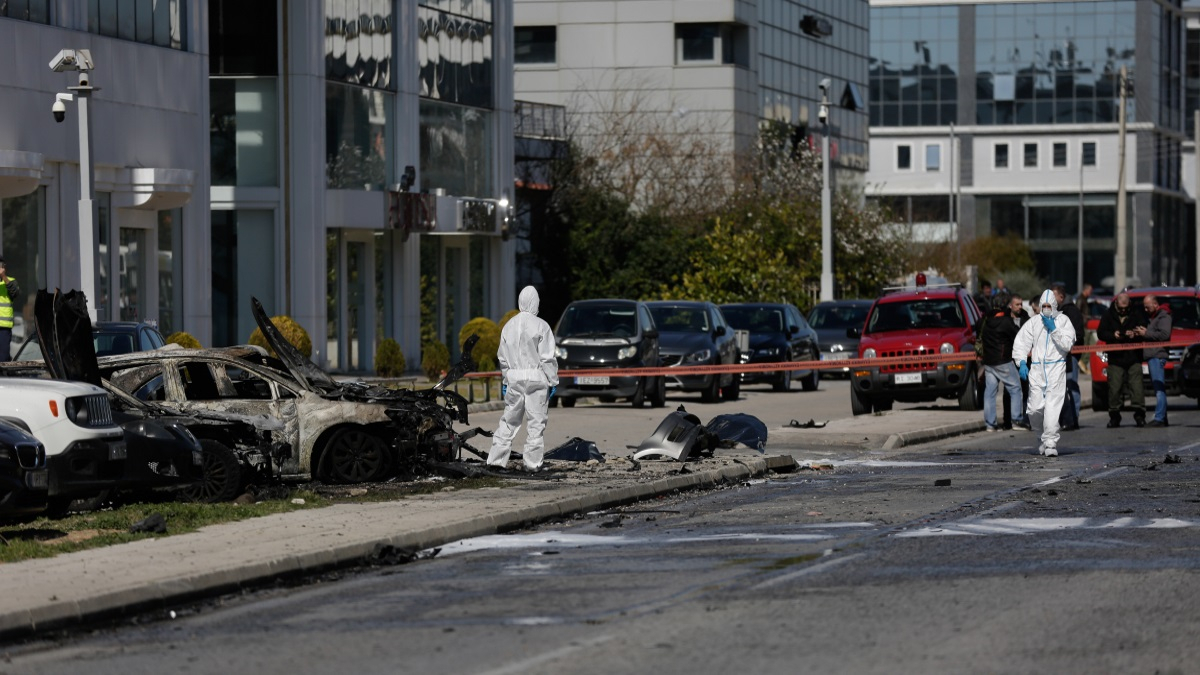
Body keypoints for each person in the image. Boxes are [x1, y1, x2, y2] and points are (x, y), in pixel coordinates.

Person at [486, 286, 559, 473]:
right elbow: (547, 358)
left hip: (514, 379)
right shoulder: (541, 325)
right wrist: (553, 381)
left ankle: (495, 461)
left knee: (509, 420)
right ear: (535, 302)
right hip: (537, 378)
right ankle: (532, 464)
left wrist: (505, 380)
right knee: (536, 423)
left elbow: (502, 358)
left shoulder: (508, 326)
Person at [1012, 289, 1077, 457]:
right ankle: (1040, 436)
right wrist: (1021, 363)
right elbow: (1020, 343)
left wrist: (1054, 329)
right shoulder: (1034, 323)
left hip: (1056, 369)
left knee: (1052, 407)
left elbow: (1068, 345)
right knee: (1034, 408)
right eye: (1044, 306)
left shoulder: (1063, 321)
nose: (1047, 308)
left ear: (1055, 305)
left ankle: (1050, 442)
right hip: (1037, 369)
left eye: (1049, 305)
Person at [976, 294, 1028, 432]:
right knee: (1016, 388)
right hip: (1003, 361)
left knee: (990, 392)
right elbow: (1018, 335)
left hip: (989, 362)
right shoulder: (1006, 322)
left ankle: (990, 424)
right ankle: (1016, 420)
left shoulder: (985, 321)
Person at [1096, 292, 1146, 428]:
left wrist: (1134, 334)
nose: (1123, 310)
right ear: (1117, 303)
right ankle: (1114, 416)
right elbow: (1100, 332)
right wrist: (1113, 335)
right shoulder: (1108, 314)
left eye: (1126, 307)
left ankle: (1139, 414)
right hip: (1115, 358)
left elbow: (1144, 329)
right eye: (1121, 308)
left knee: (1137, 388)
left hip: (1133, 357)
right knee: (1114, 388)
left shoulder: (1136, 313)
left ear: (1129, 304)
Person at [1053, 284, 1085, 430]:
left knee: (1071, 385)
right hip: (1060, 354)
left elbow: (1077, 334)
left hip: (1070, 354)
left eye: (1053, 297)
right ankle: (1067, 417)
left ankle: (1074, 417)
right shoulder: (1057, 311)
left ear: (1061, 297)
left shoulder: (1071, 312)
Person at [1141, 294, 1172, 427]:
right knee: (1157, 387)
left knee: (1159, 388)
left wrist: (1146, 333)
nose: (1146, 310)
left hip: (1157, 355)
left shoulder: (1164, 316)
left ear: (1155, 304)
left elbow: (1165, 335)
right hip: (1152, 355)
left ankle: (1159, 417)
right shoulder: (1154, 317)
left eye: (1147, 307)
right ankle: (1163, 417)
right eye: (1144, 308)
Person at [1002, 293, 1030, 429]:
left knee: (1025, 389)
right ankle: (1008, 419)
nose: (1019, 307)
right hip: (1008, 358)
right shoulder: (1004, 319)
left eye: (1021, 304)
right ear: (1010, 305)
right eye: (1017, 304)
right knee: (1008, 391)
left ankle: (1024, 418)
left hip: (1024, 358)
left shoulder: (1025, 318)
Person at [0, 256, 22, 361]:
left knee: (3, 360)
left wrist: (3, 277)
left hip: (4, 329)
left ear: (4, 267)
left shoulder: (10, 281)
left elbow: (15, 293)